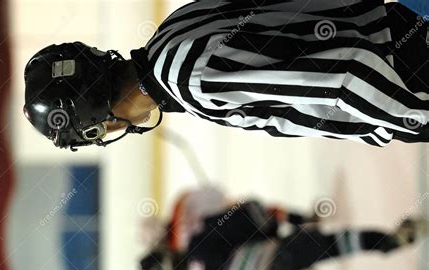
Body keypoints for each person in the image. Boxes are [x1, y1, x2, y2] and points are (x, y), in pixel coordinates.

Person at [23, 1, 428, 151]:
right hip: (398, 27)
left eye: (98, 132)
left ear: (100, 118)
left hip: (407, 74)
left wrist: (413, 115)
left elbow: (346, 75)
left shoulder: (189, 80)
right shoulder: (171, 30)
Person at [139, 189, 422, 270]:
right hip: (272, 260)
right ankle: (391, 241)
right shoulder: (196, 245)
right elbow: (249, 218)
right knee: (337, 243)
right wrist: (284, 225)